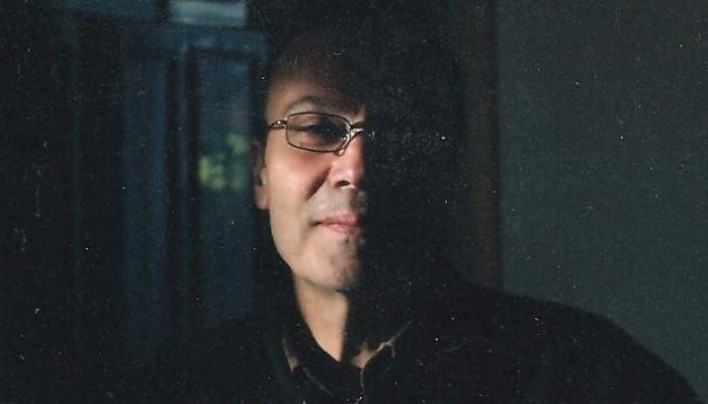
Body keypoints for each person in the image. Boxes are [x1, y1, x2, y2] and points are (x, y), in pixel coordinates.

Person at [137, 9, 701, 404]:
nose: (357, 168)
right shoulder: (183, 388)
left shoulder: (591, 379)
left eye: (401, 135)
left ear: (447, 169)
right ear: (260, 173)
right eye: (318, 128)